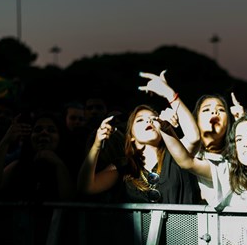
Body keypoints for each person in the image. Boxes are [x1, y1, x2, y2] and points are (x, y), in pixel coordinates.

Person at [78, 70, 201, 204]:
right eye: (140, 120)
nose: (148, 121)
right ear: (130, 136)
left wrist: (169, 94)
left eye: (153, 118)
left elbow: (194, 137)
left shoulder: (176, 155)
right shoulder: (124, 166)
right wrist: (97, 144)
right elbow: (87, 187)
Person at [0, 111, 75, 201]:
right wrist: (6, 141)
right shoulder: (18, 166)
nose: (44, 133)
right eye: (38, 130)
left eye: (51, 130)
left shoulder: (69, 165)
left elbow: (68, 200)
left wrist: (58, 164)